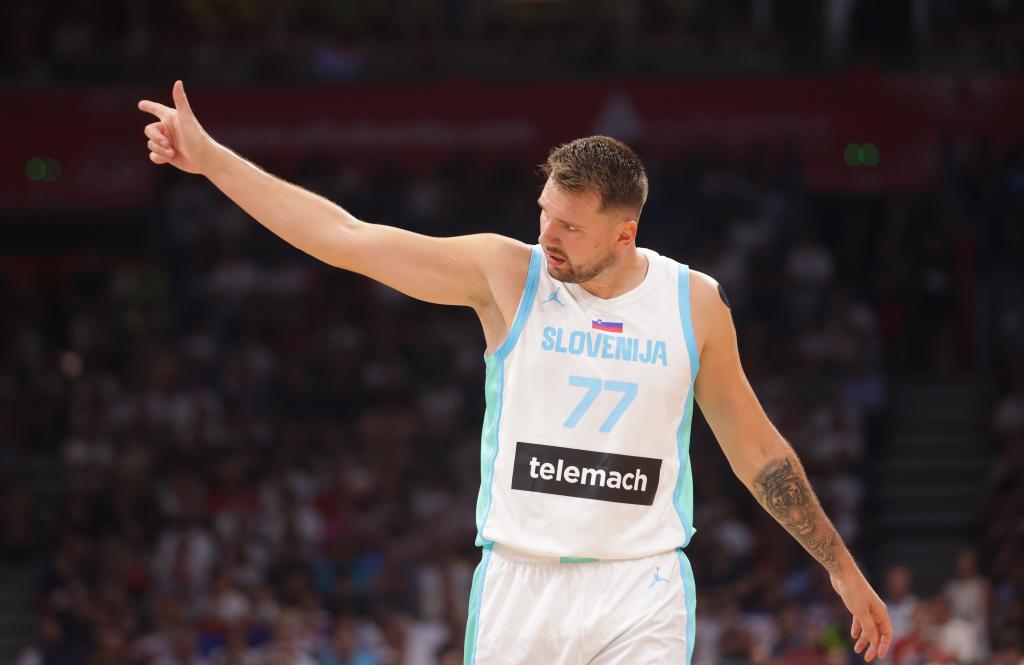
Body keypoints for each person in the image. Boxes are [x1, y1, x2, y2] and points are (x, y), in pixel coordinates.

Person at [138, 80, 893, 665]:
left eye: (569, 225)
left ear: (624, 232)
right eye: (543, 213)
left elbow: (759, 451)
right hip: (520, 583)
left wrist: (841, 567)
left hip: (640, 582)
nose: (548, 235)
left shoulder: (692, 304)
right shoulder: (507, 274)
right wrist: (210, 161)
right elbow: (345, 237)